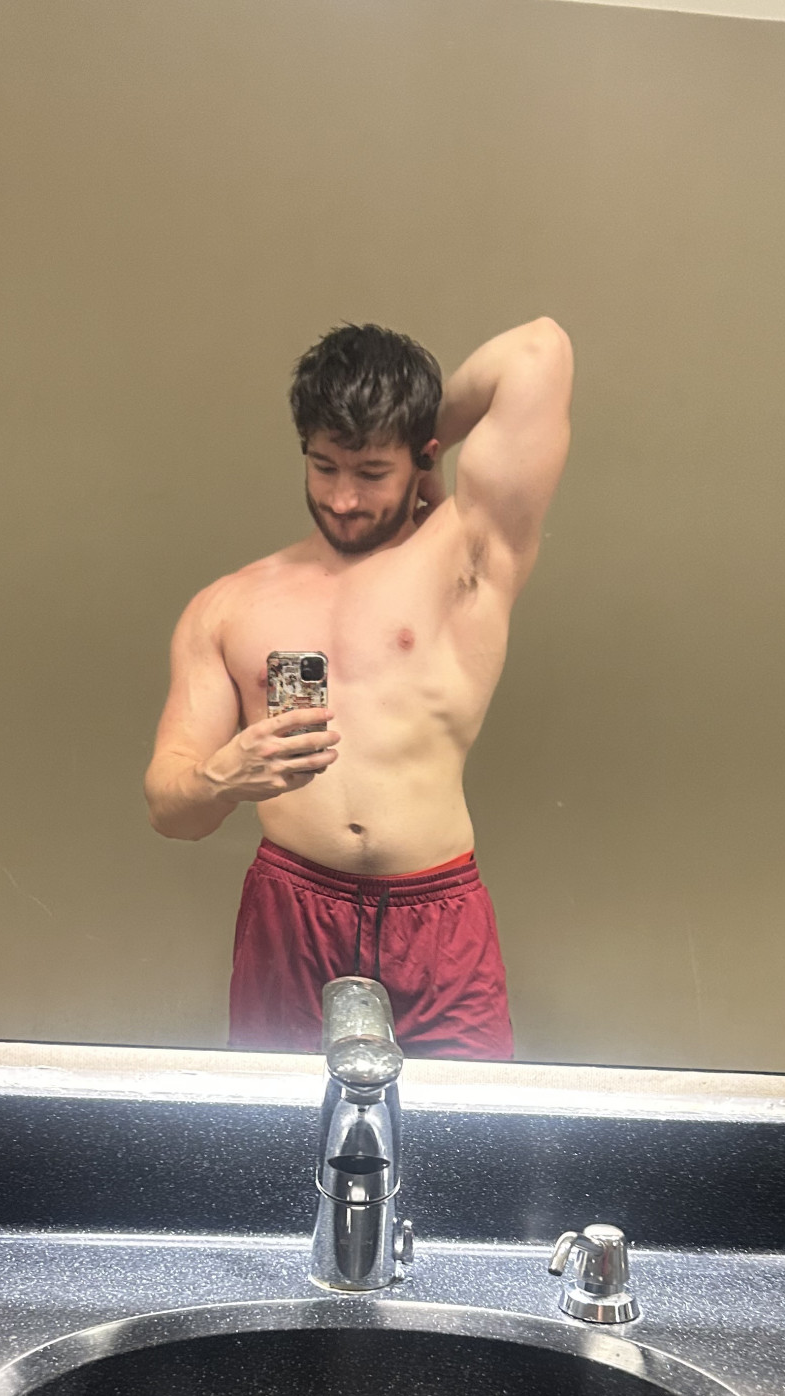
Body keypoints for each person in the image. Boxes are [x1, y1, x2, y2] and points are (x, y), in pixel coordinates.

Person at [143, 317, 573, 1058]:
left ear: (422, 458)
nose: (343, 499)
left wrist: (421, 434)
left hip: (436, 913)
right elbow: (169, 810)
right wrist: (223, 777)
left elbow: (541, 348)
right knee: (277, 1126)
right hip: (292, 908)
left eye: (372, 472)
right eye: (324, 467)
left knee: (472, 1126)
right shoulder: (229, 606)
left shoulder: (466, 552)